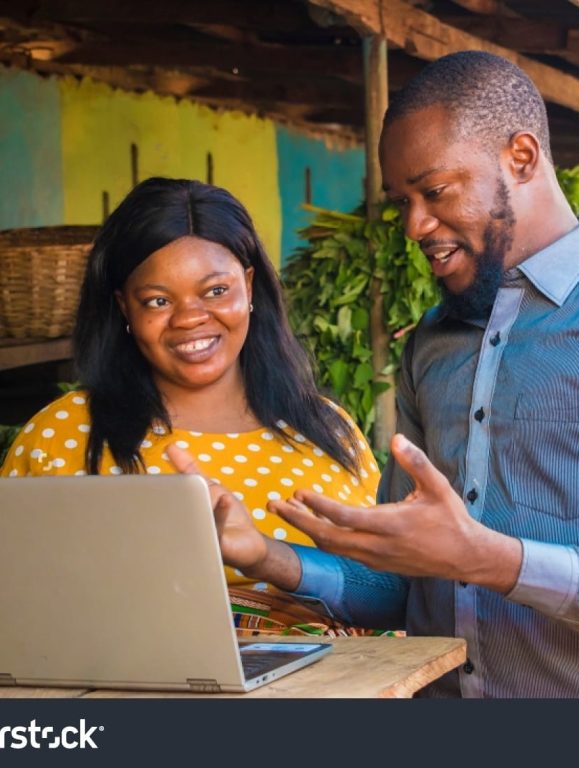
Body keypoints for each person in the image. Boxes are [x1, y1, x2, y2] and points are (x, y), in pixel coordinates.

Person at [169, 52, 579, 697]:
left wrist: (488, 559)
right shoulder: (433, 344)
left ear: (521, 157)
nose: (415, 225)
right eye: (404, 202)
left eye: (436, 191)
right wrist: (267, 556)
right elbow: (408, 589)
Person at [1, 177, 380, 587]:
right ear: (124, 306)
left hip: (349, 655)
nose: (190, 318)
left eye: (216, 290)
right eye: (158, 301)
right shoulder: (61, 436)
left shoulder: (329, 430)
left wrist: (270, 559)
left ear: (248, 287)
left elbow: (389, 590)